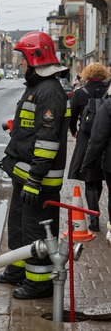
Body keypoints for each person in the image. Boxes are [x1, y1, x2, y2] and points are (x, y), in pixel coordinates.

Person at [0, 31, 71, 300]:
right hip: (24, 176)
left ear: (34, 58)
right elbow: (34, 128)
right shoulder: (37, 88)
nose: (20, 64)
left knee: (36, 231)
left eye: (23, 59)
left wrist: (35, 180)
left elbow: (47, 142)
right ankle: (18, 270)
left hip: (39, 182)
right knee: (18, 226)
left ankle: (39, 283)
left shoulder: (49, 92)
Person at [67, 62, 109, 231]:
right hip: (105, 139)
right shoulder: (109, 92)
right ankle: (95, 213)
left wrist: (73, 131)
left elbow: (72, 117)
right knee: (98, 178)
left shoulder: (79, 94)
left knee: (89, 179)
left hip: (86, 140)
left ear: (86, 74)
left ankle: (94, 217)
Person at [81, 83, 111, 245]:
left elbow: (98, 137)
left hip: (106, 157)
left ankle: (97, 220)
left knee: (93, 183)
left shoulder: (107, 105)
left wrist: (86, 161)